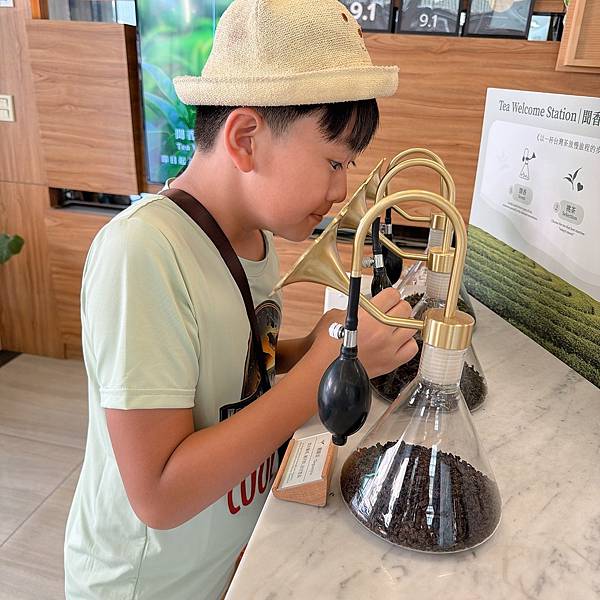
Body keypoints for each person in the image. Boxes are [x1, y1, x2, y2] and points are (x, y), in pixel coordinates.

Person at [64, 0, 418, 598]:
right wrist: (322, 374)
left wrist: (315, 345)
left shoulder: (255, 238)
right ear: (246, 137)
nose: (342, 189)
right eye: (334, 162)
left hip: (219, 555)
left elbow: (234, 363)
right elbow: (159, 493)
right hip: (147, 584)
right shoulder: (142, 253)